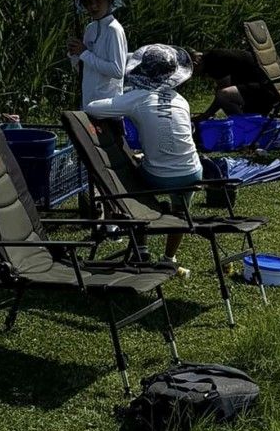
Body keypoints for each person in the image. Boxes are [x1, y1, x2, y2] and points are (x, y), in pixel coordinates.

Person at [87, 44, 203, 271]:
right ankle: (169, 259)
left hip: (157, 176)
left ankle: (141, 249)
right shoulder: (181, 100)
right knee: (181, 211)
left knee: (131, 184)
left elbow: (93, 108)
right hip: (192, 172)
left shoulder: (138, 98)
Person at [67, 0, 128, 112]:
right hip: (89, 104)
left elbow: (117, 71)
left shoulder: (114, 29)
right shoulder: (90, 29)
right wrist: (74, 55)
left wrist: (84, 53)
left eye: (98, 0)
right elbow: (84, 68)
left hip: (108, 107)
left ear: (110, 1)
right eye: (88, 2)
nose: (93, 6)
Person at [190, 47, 280, 119]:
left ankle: (244, 127)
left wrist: (206, 115)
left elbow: (222, 94)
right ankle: (250, 126)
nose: (194, 74)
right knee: (224, 95)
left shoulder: (214, 61)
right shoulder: (211, 56)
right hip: (270, 87)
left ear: (196, 62)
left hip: (266, 91)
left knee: (223, 96)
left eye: (193, 71)